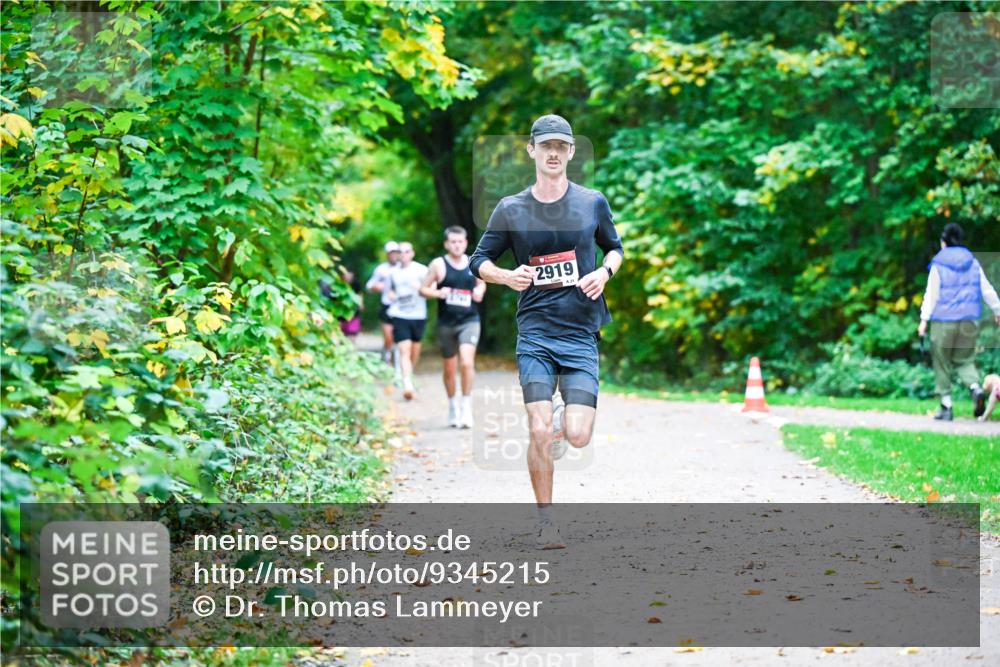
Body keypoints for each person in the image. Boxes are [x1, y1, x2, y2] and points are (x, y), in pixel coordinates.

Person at [469, 114, 624, 549]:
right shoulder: (511, 208)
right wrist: (505, 277)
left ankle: (561, 423)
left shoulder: (592, 202)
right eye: (546, 145)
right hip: (535, 334)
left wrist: (605, 274)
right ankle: (547, 522)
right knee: (536, 431)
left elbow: (614, 248)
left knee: (578, 435)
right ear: (532, 151)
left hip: (580, 334)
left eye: (562, 146)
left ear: (572, 152)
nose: (554, 152)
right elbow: (477, 261)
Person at [917, 222, 1000, 421]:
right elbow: (986, 288)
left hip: (944, 321)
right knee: (965, 360)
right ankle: (975, 388)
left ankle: (946, 406)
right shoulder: (972, 261)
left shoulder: (939, 263)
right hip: (970, 320)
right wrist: (998, 309)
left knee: (942, 361)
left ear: (943, 242)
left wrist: (923, 320)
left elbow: (932, 294)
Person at [420, 226, 487, 428]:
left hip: (469, 320)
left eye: (460, 241)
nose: (457, 245)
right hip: (447, 323)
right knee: (449, 368)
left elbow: (482, 283)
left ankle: (466, 407)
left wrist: (479, 291)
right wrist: (438, 293)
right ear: (446, 244)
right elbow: (423, 289)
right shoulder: (438, 265)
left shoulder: (473, 262)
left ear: (465, 243)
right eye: (453, 242)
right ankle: (452, 406)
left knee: (467, 363)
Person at [387, 242, 428, 400]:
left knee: (415, 351)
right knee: (404, 350)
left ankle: (408, 375)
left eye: (406, 251)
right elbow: (390, 291)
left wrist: (420, 288)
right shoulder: (393, 273)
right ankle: (407, 384)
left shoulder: (421, 270)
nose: (403, 254)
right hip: (400, 314)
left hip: (418, 315)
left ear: (412, 253)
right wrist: (392, 296)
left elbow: (433, 287)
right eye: (400, 252)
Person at [366, 242, 401, 364]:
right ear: (387, 254)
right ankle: (387, 360)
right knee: (388, 338)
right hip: (387, 306)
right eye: (391, 253)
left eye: (396, 252)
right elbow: (369, 286)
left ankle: (398, 364)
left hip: (402, 307)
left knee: (401, 339)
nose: (394, 255)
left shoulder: (404, 268)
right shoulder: (381, 269)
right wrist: (376, 287)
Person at [338, 267, 363, 342]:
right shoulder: (338, 284)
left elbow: (359, 294)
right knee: (341, 336)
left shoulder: (356, 284)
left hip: (353, 312)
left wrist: (361, 303)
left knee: (352, 334)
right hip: (340, 313)